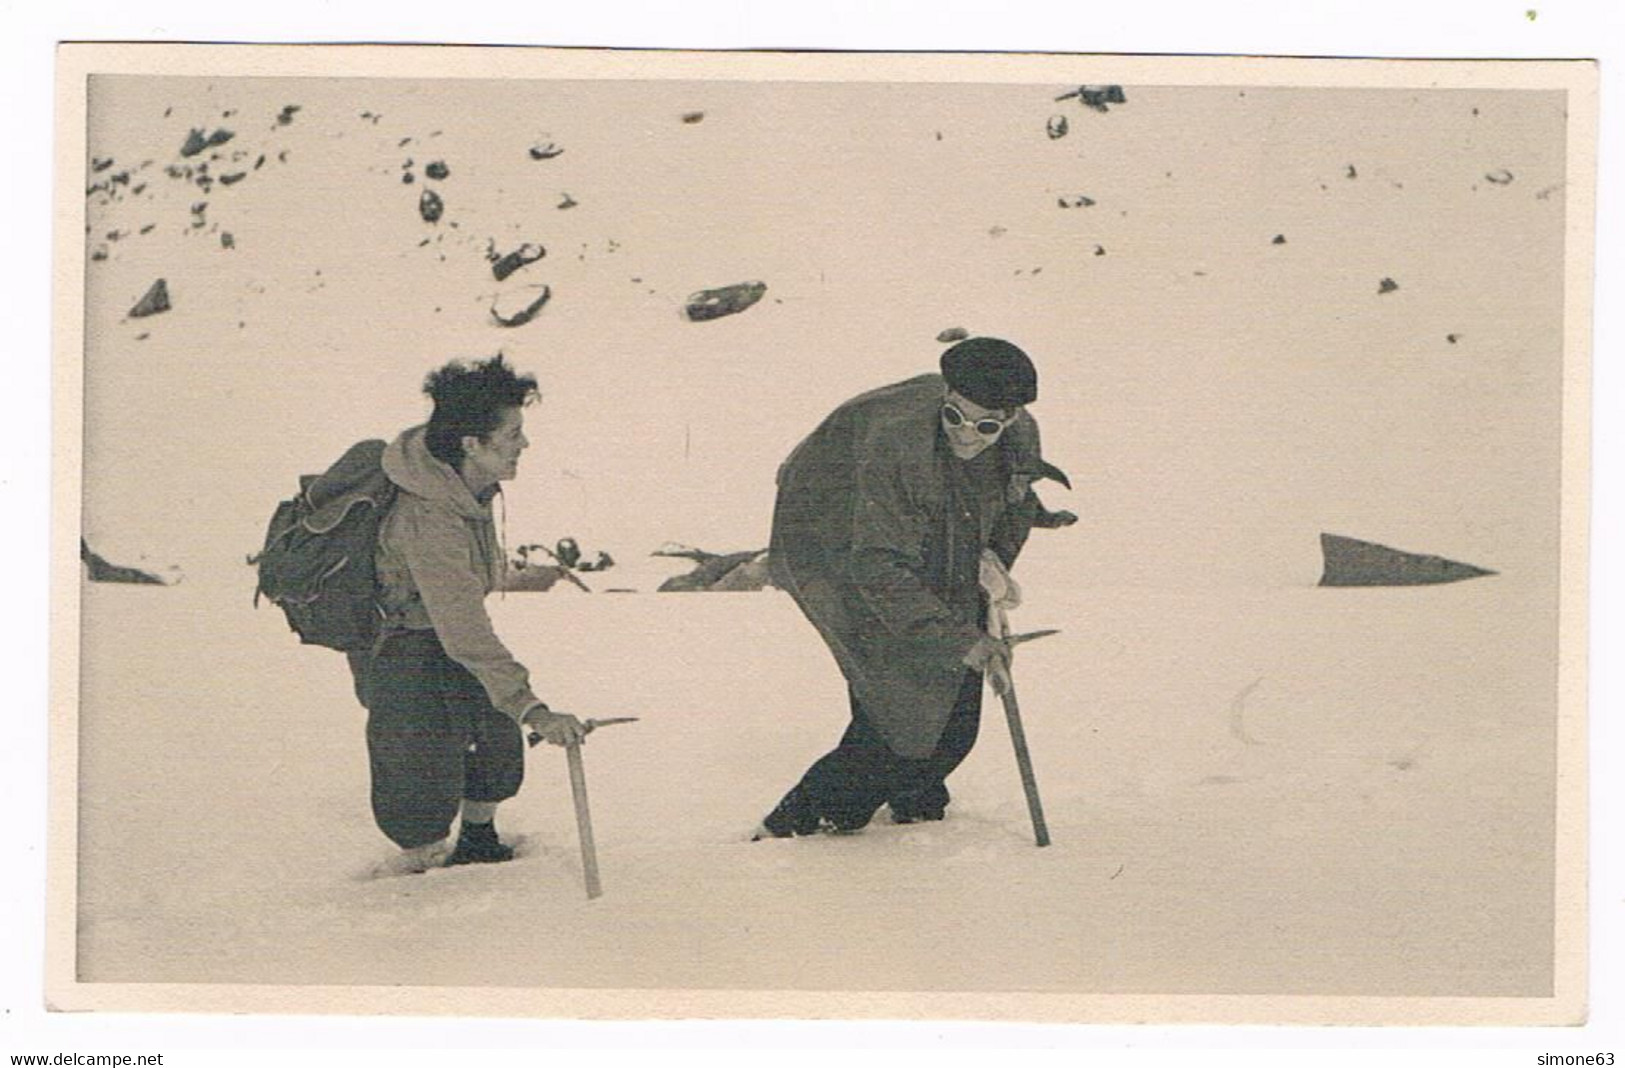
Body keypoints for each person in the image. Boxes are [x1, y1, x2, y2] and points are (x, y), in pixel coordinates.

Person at [756, 337, 1071, 838]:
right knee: (898, 710)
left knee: (953, 723)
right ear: (946, 394)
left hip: (919, 539)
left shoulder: (1020, 435)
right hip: (833, 542)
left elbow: (1010, 502)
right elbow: (877, 567)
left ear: (1010, 419)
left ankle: (915, 794)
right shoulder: (899, 447)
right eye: (954, 417)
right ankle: (805, 822)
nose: (967, 436)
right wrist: (965, 639)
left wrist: (992, 564)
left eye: (985, 425)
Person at [358, 353, 586, 873]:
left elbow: (461, 608)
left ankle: (480, 841)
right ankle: (416, 888)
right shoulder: (429, 515)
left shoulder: (468, 488)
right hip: (401, 645)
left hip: (444, 632)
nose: (523, 444)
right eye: (511, 435)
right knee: (416, 781)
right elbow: (461, 626)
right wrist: (533, 708)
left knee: (495, 743)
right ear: (471, 445)